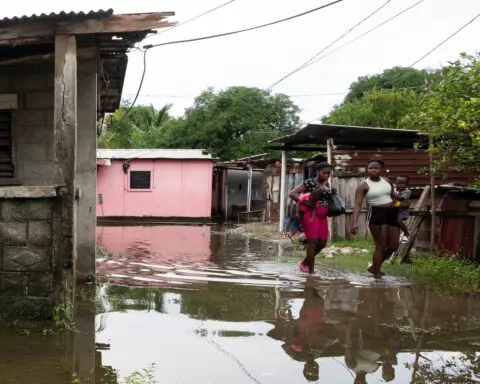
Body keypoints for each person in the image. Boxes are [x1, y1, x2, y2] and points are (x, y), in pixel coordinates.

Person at [351, 159, 399, 279]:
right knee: (380, 246)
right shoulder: (363, 186)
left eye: (376, 168)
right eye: (370, 168)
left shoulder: (387, 181)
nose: (373, 170)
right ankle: (377, 275)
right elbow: (357, 205)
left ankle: (374, 267)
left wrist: (396, 204)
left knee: (393, 246)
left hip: (391, 213)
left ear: (381, 169)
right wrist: (354, 223)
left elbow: (393, 195)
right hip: (377, 214)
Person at [290, 162, 333, 274]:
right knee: (313, 242)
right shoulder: (309, 182)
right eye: (324, 173)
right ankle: (311, 272)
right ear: (317, 171)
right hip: (310, 215)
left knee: (323, 243)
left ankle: (304, 263)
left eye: (329, 173)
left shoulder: (327, 184)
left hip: (322, 216)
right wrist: (305, 203)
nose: (327, 175)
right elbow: (293, 193)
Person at [393, 175, 411, 242]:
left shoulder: (407, 191)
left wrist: (392, 193)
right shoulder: (394, 189)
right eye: (399, 183)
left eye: (403, 183)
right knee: (393, 222)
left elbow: (401, 198)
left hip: (403, 209)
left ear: (407, 184)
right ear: (396, 183)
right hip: (395, 209)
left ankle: (406, 233)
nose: (401, 185)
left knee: (398, 221)